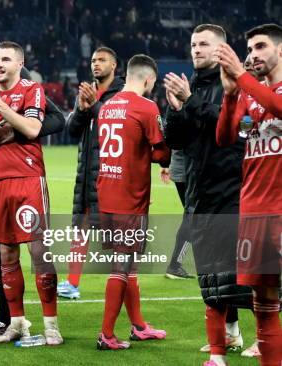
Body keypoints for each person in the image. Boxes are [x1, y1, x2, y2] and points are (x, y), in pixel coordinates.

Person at [163, 24, 252, 364]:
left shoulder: (237, 85)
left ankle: (263, 337)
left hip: (234, 190)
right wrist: (175, 108)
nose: (195, 49)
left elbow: (240, 132)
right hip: (200, 192)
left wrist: (191, 101)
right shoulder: (192, 87)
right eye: (192, 44)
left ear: (220, 50)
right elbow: (175, 141)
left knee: (247, 273)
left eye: (203, 44)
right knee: (211, 277)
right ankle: (225, 342)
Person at [0, 41, 63, 346]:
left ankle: (51, 325)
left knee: (38, 253)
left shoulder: (31, 88)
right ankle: (17, 323)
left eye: (5, 59)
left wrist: (2, 109)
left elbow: (34, 129)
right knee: (6, 255)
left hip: (28, 180)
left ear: (19, 63)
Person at [215, 23, 282, 366]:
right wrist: (229, 95)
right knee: (263, 299)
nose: (253, 55)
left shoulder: (260, 89)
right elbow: (226, 136)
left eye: (261, 47)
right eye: (250, 49)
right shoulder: (248, 93)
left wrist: (242, 77)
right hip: (254, 209)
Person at [95, 54, 169, 350]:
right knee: (122, 268)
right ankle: (107, 334)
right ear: (149, 79)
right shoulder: (147, 106)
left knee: (129, 265)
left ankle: (138, 326)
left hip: (107, 195)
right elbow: (162, 153)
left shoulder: (107, 106)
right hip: (130, 199)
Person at [59, 47, 125, 300]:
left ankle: (125, 284)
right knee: (82, 225)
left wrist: (94, 106)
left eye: (102, 60)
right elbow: (72, 130)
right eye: (93, 60)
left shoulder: (122, 94)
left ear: (114, 65)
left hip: (113, 172)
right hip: (87, 171)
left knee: (118, 234)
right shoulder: (88, 92)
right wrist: (82, 109)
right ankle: (72, 283)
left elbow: (117, 124)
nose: (96, 65)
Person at [160, 149, 194, 280]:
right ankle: (174, 266)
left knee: (191, 215)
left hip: (179, 167)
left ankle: (175, 265)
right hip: (190, 169)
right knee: (193, 217)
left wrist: (165, 164)